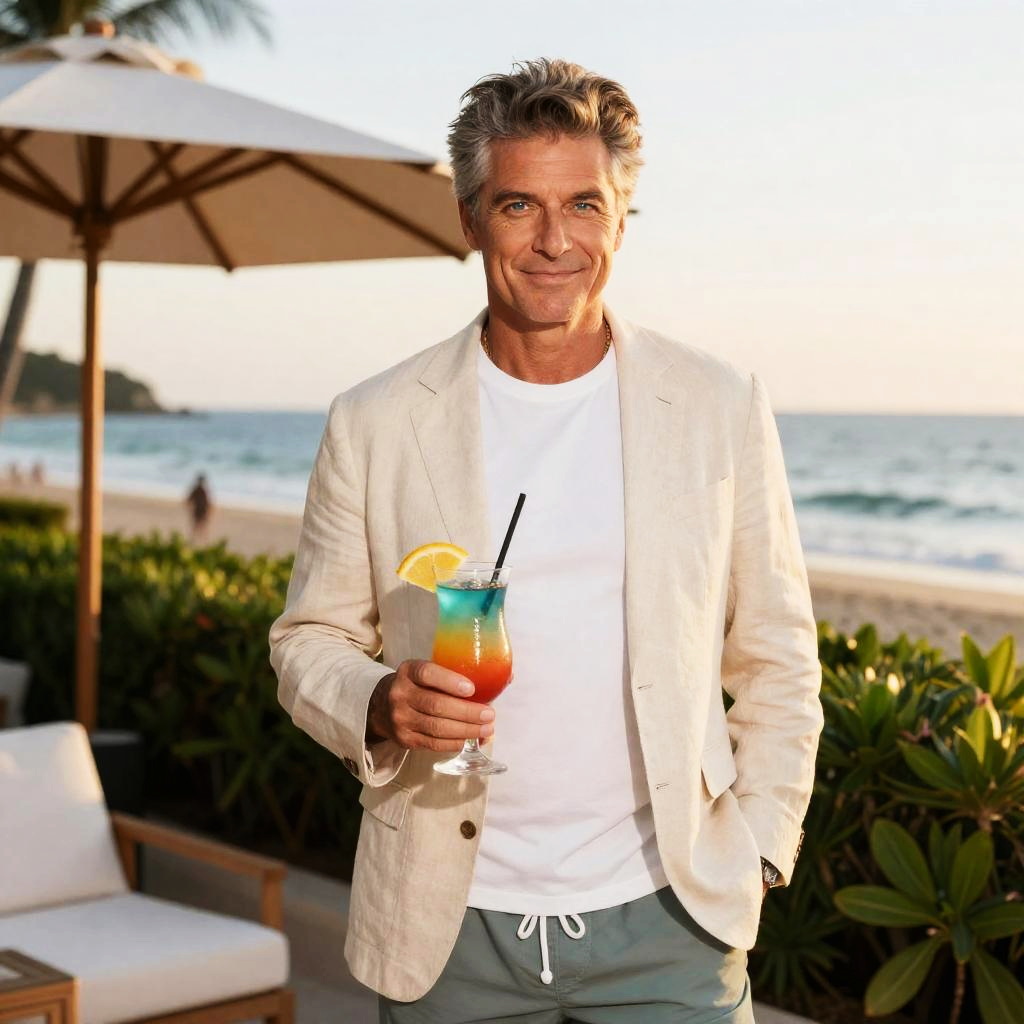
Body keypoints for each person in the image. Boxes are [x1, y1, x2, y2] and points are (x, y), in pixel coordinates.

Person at [270, 58, 823, 1023]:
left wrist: (762, 847)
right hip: (447, 924)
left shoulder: (717, 404)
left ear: (621, 218)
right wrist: (380, 701)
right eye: (520, 205)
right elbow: (305, 642)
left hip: (670, 923)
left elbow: (778, 652)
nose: (555, 240)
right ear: (472, 218)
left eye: (586, 205)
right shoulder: (376, 419)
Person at [184, 472, 212, 545]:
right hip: (198, 510)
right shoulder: (199, 490)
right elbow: (189, 500)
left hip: (201, 510)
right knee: (198, 526)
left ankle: (201, 541)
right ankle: (200, 541)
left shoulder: (201, 490)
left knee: (200, 526)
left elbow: (188, 500)